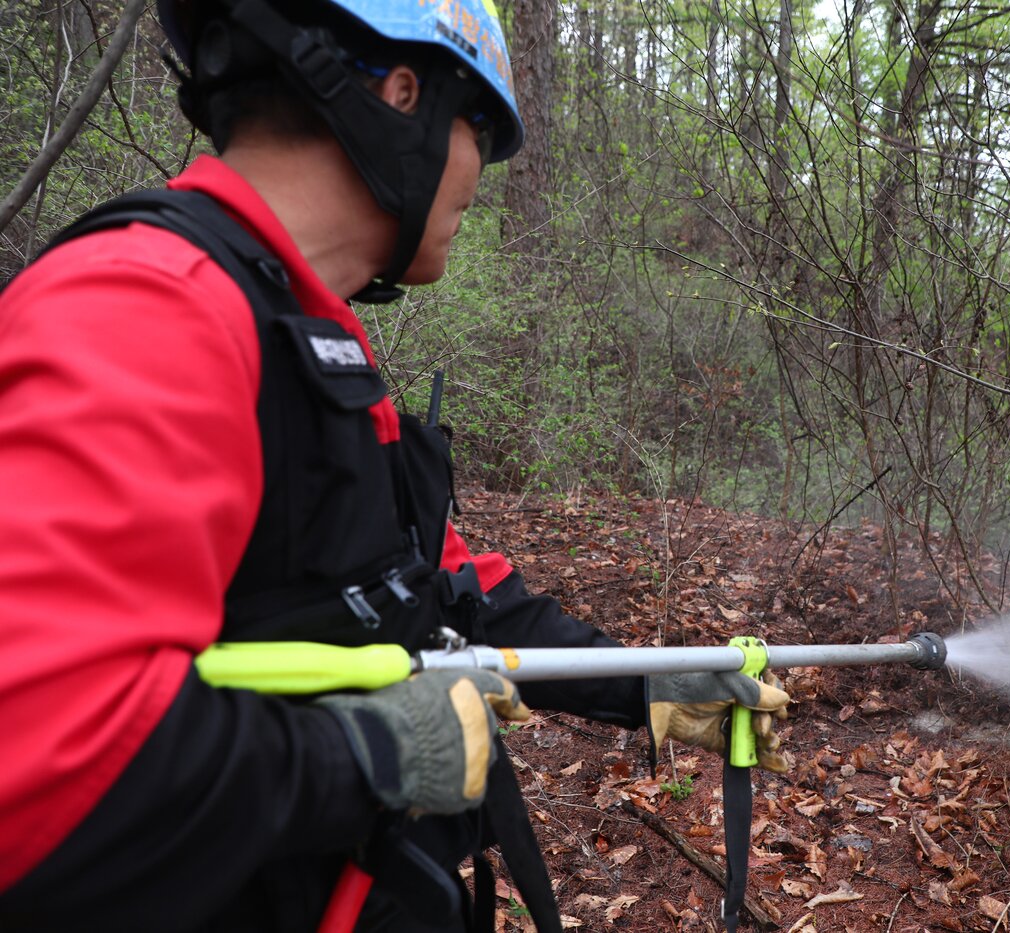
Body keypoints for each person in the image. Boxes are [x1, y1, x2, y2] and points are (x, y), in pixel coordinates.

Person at [0, 1, 790, 930]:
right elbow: (36, 765)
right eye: (479, 130)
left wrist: (651, 682)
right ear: (404, 96)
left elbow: (445, 594)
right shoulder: (145, 308)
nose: (482, 173)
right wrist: (373, 755)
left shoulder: (309, 334)